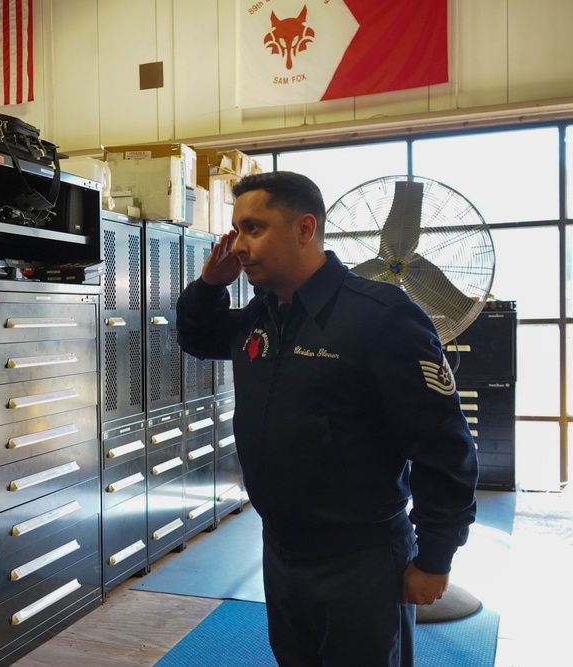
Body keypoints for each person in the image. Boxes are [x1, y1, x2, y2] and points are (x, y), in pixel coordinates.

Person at [176, 171, 478, 667]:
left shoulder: (382, 316)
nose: (238, 246)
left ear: (304, 228)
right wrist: (211, 284)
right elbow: (197, 336)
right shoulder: (263, 314)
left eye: (253, 228)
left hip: (361, 560)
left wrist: (435, 556)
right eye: (235, 230)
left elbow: (444, 448)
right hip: (280, 551)